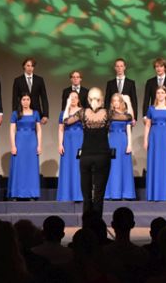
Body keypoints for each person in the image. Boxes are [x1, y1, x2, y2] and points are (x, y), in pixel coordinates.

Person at [65, 87, 131, 217]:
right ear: (101, 101)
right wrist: (127, 102)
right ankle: (97, 227)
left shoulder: (82, 113)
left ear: (89, 100)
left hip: (86, 156)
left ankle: (87, 227)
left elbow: (66, 121)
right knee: (99, 196)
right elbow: (128, 117)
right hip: (102, 156)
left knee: (87, 197)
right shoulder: (108, 113)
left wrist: (68, 105)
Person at [144, 85, 166, 201]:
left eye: (162, 92)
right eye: (158, 93)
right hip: (154, 137)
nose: (160, 95)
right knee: (155, 163)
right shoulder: (151, 109)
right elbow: (148, 125)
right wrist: (145, 140)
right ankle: (155, 194)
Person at [9, 93, 42, 199]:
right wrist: (13, 145)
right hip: (20, 141)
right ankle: (17, 193)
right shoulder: (15, 114)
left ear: (30, 101)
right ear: (20, 101)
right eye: (24, 99)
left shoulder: (35, 113)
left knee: (31, 167)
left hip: (32, 141)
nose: (26, 101)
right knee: (19, 167)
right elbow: (12, 130)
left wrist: (39, 145)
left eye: (28, 99)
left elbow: (39, 130)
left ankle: (32, 193)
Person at [104, 93, 135, 200]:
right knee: (113, 167)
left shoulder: (126, 115)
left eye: (118, 100)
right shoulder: (109, 114)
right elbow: (106, 131)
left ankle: (126, 193)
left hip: (123, 140)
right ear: (112, 103)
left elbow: (129, 130)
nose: (116, 103)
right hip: (112, 140)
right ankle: (113, 193)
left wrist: (130, 144)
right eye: (114, 101)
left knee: (124, 167)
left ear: (121, 102)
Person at [57, 92, 84, 201]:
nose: (73, 99)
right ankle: (66, 195)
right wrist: (60, 144)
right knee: (67, 166)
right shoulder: (63, 113)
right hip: (67, 142)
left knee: (79, 167)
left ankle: (79, 194)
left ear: (78, 100)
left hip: (79, 140)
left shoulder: (82, 112)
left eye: (75, 97)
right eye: (71, 97)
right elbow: (61, 128)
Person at [11, 57, 49, 125]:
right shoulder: (18, 80)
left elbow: (44, 98)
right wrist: (15, 113)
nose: (30, 68)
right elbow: (15, 99)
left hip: (36, 112)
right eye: (28, 65)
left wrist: (45, 114)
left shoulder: (39, 80)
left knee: (37, 133)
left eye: (32, 66)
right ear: (24, 66)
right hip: (22, 112)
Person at [105, 58, 139, 125]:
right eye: (117, 66)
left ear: (124, 67)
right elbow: (107, 100)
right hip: (113, 116)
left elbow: (134, 101)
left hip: (127, 115)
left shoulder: (131, 83)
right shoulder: (110, 83)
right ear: (115, 68)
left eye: (121, 66)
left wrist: (134, 118)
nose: (119, 68)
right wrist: (106, 116)